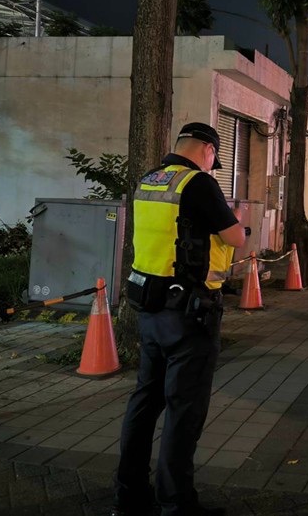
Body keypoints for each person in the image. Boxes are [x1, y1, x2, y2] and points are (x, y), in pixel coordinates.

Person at [113, 122, 247, 516]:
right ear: (207, 149)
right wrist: (237, 219)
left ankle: (129, 496)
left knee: (145, 401)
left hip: (149, 306)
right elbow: (236, 237)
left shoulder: (149, 180)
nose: (211, 164)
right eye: (213, 158)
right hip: (190, 314)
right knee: (183, 410)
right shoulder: (199, 183)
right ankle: (176, 503)